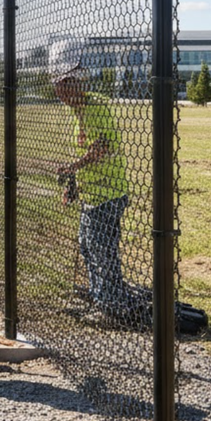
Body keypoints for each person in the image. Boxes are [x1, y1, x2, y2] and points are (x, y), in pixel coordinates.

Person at [50, 39, 136, 320]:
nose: (60, 93)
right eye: (57, 87)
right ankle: (100, 296)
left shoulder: (95, 107)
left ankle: (110, 306)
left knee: (103, 250)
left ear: (76, 83)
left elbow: (102, 147)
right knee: (88, 245)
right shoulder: (75, 111)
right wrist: (74, 183)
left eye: (63, 86)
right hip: (91, 193)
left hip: (108, 193)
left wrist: (73, 166)